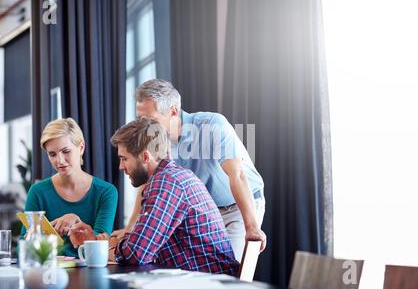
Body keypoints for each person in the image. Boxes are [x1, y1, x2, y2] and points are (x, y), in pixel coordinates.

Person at [116, 79, 266, 260]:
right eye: (140, 120)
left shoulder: (211, 125)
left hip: (238, 206)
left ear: (173, 112)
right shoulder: (153, 141)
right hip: (205, 213)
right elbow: (148, 181)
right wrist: (130, 228)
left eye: (150, 120)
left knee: (229, 271)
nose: (144, 127)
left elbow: (238, 174)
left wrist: (251, 227)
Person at [70, 118, 239, 275]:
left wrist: (104, 246)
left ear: (145, 157)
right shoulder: (171, 177)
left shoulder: (167, 184)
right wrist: (105, 243)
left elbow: (136, 253)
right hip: (198, 279)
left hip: (208, 287)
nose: (121, 167)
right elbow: (139, 242)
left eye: (124, 159)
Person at [20, 118, 118, 256]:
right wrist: (35, 238)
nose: (59, 160)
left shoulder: (106, 192)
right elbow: (22, 248)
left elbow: (99, 247)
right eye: (52, 154)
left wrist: (75, 221)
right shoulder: (38, 192)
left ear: (81, 148)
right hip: (50, 272)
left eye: (66, 151)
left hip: (89, 273)